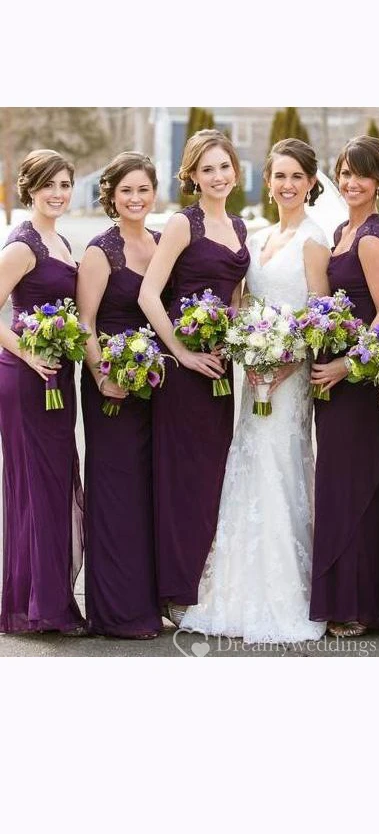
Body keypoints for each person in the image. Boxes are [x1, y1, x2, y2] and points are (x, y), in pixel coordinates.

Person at [181, 138, 330, 643]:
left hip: (287, 381)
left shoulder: (313, 240)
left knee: (279, 467)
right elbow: (243, 303)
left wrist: (288, 361)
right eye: (279, 176)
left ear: (311, 183)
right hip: (254, 375)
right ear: (266, 181)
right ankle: (235, 590)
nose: (287, 185)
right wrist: (247, 347)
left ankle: (284, 593)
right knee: (246, 466)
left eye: (296, 177)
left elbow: (320, 316)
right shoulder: (260, 236)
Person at [139, 130, 249, 626]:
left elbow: (234, 297)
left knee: (212, 477)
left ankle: (202, 582)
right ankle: (174, 589)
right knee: (183, 479)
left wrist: (239, 334)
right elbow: (148, 295)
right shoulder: (184, 223)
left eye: (224, 166)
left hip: (219, 371)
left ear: (235, 171)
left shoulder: (240, 226)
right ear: (192, 176)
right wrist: (181, 353)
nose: (218, 176)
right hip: (184, 375)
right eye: (207, 169)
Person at [310, 136, 379, 638]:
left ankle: (360, 605)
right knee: (337, 483)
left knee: (357, 484)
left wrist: (346, 364)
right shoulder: (344, 230)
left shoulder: (372, 238)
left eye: (361, 174)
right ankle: (345, 598)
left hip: (358, 381)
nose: (350, 182)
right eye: (344, 172)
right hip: (334, 381)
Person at [77, 152, 164, 639]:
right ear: (111, 195)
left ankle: (148, 600)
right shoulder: (100, 251)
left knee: (149, 490)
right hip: (110, 387)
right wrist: (101, 374)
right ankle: (116, 611)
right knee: (116, 491)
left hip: (154, 388)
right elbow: (85, 323)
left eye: (143, 190)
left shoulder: (160, 243)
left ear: (154, 193)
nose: (135, 198)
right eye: (126, 190)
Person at [0, 149, 85, 635]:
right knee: (35, 486)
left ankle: (50, 600)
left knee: (54, 484)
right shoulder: (23, 244)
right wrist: (29, 354)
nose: (57, 193)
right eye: (49, 185)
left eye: (65, 185)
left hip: (58, 377)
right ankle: (37, 606)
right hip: (25, 377)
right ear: (30, 189)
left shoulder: (61, 240)